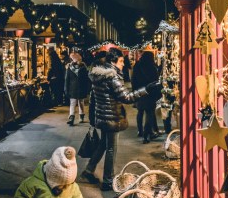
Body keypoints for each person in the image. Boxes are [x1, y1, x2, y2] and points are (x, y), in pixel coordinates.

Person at [79, 47, 161, 190]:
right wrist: (146, 89)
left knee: (103, 145)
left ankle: (88, 171)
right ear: (113, 61)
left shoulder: (99, 74)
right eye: (121, 61)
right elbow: (126, 97)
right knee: (111, 149)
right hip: (111, 117)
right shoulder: (112, 76)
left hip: (103, 116)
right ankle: (108, 181)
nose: (123, 64)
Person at [131, 51, 162, 143]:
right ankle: (146, 135)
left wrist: (134, 91)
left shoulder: (137, 65)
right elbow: (155, 80)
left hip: (139, 92)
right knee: (149, 113)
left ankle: (140, 131)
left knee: (140, 112)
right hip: (149, 93)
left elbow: (133, 79)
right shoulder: (151, 66)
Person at [65, 52, 89, 125]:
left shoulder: (83, 67)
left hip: (81, 88)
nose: (72, 59)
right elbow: (67, 79)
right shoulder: (69, 67)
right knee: (73, 102)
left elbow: (86, 79)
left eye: (73, 58)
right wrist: (66, 89)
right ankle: (71, 117)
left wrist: (87, 89)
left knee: (81, 102)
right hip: (73, 88)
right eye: (72, 58)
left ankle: (81, 116)